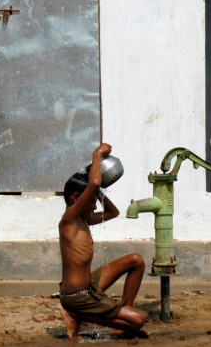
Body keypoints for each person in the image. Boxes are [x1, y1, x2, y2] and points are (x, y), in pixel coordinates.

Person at [58, 142, 148, 339]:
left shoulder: (84, 219)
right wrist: (97, 155)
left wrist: (97, 194)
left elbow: (112, 212)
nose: (94, 207)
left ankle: (119, 323)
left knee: (136, 260)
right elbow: (95, 183)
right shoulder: (69, 220)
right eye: (91, 201)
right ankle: (75, 314)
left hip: (89, 286)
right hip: (76, 296)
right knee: (138, 321)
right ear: (75, 198)